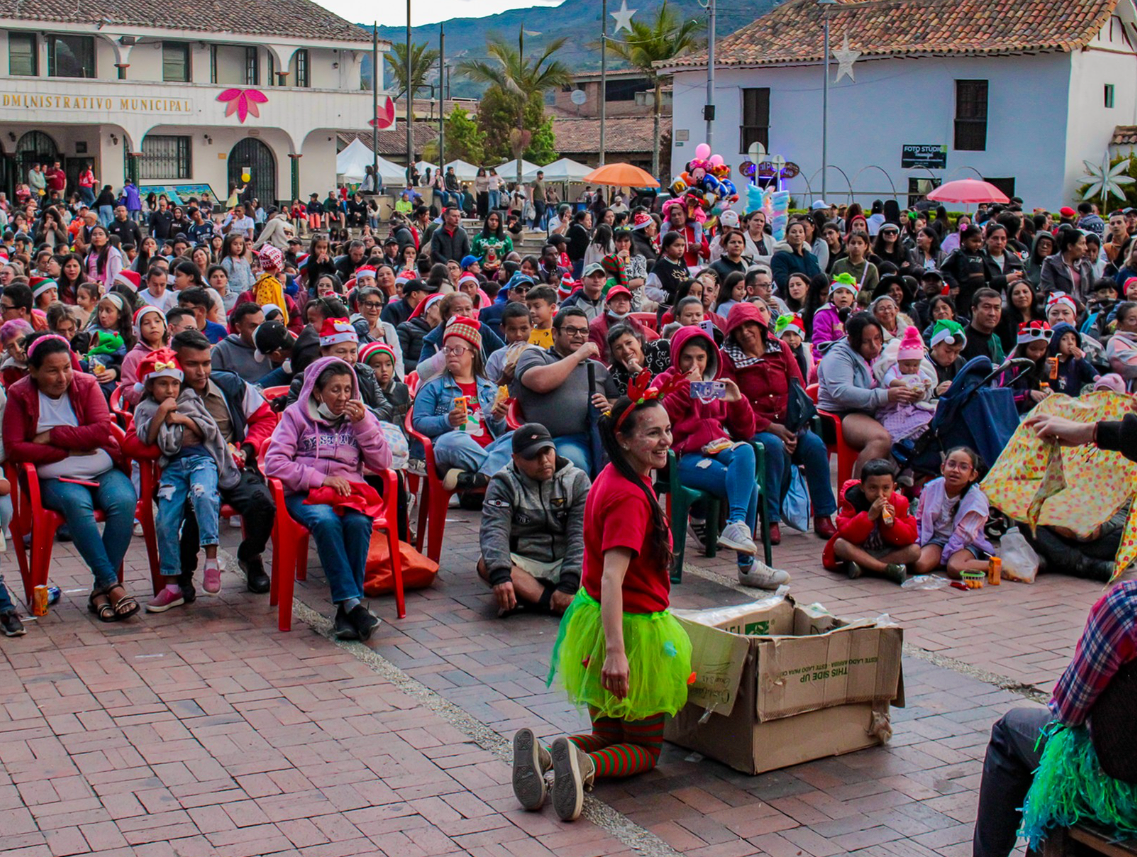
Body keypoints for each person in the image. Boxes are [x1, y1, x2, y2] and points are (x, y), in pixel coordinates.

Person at [514, 386, 692, 822]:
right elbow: (614, 577)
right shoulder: (631, 496)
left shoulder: (615, 476)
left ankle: (548, 755)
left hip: (594, 622)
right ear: (625, 439)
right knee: (646, 749)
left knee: (610, 730)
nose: (665, 440)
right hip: (629, 631)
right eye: (652, 433)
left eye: (667, 430)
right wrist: (618, 653)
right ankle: (585, 765)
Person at [3, 332, 139, 620]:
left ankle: (101, 590)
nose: (62, 377)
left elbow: (101, 431)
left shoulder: (86, 384)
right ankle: (111, 584)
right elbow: (15, 447)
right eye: (52, 370)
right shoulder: (19, 393)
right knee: (78, 506)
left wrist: (53, 436)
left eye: (66, 367)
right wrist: (64, 453)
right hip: (54, 478)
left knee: (124, 501)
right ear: (34, 371)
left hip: (101, 466)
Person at [265, 356, 392, 640]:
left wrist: (363, 426)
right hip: (305, 493)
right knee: (325, 521)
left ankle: (346, 612)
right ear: (318, 391)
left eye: (348, 389)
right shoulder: (296, 416)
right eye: (335, 390)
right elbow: (274, 464)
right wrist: (320, 479)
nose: (343, 397)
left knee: (359, 523)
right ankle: (353, 605)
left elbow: (383, 461)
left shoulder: (361, 416)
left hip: (349, 494)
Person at [656, 325, 787, 588]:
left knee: (747, 450)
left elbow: (746, 431)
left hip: (719, 448)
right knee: (747, 486)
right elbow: (658, 418)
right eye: (688, 358)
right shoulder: (664, 381)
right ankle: (747, 566)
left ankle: (736, 524)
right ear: (677, 357)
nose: (695, 364)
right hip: (685, 458)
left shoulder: (714, 384)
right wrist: (684, 388)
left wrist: (738, 401)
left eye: (701, 358)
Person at [169, 330, 276, 595]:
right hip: (187, 472)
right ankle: (184, 574)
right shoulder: (164, 392)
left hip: (233, 465)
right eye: (192, 364)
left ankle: (250, 557)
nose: (202, 371)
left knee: (263, 503)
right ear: (176, 363)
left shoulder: (231, 385)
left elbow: (265, 418)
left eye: (206, 363)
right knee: (195, 507)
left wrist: (247, 449)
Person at [721, 301, 837, 543]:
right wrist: (772, 428)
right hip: (755, 426)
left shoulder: (780, 348)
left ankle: (824, 515)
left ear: (761, 326)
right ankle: (770, 519)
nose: (745, 332)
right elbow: (732, 402)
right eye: (738, 328)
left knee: (815, 446)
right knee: (773, 448)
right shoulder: (727, 358)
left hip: (791, 424)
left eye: (749, 325)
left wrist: (793, 428)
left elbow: (798, 389)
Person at [134, 349, 240, 611]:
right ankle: (171, 585)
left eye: (174, 383)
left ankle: (212, 561)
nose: (170, 389)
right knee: (165, 518)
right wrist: (162, 413)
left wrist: (181, 418)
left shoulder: (190, 399)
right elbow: (146, 437)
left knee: (204, 495)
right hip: (172, 468)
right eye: (162, 383)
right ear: (150, 385)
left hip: (202, 460)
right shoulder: (144, 408)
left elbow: (209, 429)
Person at [478, 423, 589, 616]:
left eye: (547, 452)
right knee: (487, 565)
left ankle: (534, 599)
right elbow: (494, 531)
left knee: (602, 559)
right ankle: (549, 602)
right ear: (516, 459)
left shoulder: (577, 480)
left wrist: (570, 582)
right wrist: (501, 577)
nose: (544, 460)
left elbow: (580, 536)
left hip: (566, 561)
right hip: (525, 564)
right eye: (533, 456)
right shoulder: (502, 483)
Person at [412, 316, 513, 491]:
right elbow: (418, 423)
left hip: (486, 447)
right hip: (453, 449)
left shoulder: (488, 387)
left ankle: (478, 477)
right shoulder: (433, 386)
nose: (451, 354)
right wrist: (447, 421)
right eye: (447, 350)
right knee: (452, 440)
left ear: (473, 352)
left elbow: (497, 432)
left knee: (522, 436)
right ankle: (493, 473)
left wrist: (498, 419)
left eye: (457, 350)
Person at [513, 308, 609, 474]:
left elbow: (616, 404)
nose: (579, 335)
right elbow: (540, 382)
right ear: (554, 333)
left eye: (584, 331)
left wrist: (610, 408)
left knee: (575, 464)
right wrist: (578, 356)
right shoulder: (535, 356)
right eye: (571, 330)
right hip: (540, 440)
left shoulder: (598, 368)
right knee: (571, 462)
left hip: (587, 439)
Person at [818, 313, 916, 475]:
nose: (875, 346)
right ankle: (856, 493)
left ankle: (903, 489)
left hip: (872, 410)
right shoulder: (838, 356)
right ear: (852, 341)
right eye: (866, 341)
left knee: (913, 430)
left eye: (878, 338)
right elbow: (842, 392)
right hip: (840, 413)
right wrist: (885, 396)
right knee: (880, 439)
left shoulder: (882, 352)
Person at [821, 458, 919, 583]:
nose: (880, 494)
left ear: (893, 487)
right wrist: (868, 517)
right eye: (873, 488)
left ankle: (865, 567)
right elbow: (846, 533)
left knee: (915, 551)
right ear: (862, 487)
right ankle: (884, 568)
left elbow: (910, 536)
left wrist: (893, 524)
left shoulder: (900, 502)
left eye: (886, 488)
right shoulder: (852, 500)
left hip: (887, 552)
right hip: (860, 550)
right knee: (840, 545)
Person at [912, 446, 993, 580]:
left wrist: (944, 557)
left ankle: (996, 565)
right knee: (919, 564)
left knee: (955, 568)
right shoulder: (931, 488)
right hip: (938, 540)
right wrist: (917, 543)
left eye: (963, 467)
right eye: (952, 464)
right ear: (943, 468)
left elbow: (964, 535)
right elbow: (919, 521)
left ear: (972, 475)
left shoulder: (977, 500)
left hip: (967, 544)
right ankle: (943, 560)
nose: (956, 470)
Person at [877, 326, 934, 443]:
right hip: (894, 407)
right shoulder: (895, 370)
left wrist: (925, 384)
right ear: (899, 361)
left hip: (911, 406)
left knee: (924, 417)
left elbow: (927, 380)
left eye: (915, 365)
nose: (911, 369)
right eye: (907, 365)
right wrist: (902, 384)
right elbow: (888, 379)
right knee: (893, 425)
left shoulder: (919, 372)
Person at [211, 303, 268, 382]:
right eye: (253, 326)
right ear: (238, 327)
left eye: (263, 324)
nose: (260, 330)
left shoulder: (273, 343)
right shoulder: (222, 350)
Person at [810, 273, 859, 354]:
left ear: (854, 298)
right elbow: (820, 343)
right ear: (831, 297)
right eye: (839, 292)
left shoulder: (859, 315)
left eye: (848, 292)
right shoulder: (823, 315)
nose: (843, 296)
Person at [1041, 228, 1094, 302]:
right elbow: (1049, 289)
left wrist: (1083, 302)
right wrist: (1073, 302)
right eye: (1082, 243)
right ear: (1070, 246)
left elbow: (1093, 291)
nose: (1086, 248)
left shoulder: (1086, 264)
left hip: (1083, 309)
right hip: (1059, 307)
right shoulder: (1050, 263)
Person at [1049, 322, 1098, 396]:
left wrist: (1081, 361)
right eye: (1064, 339)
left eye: (1073, 339)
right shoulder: (1050, 362)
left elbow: (1094, 377)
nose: (1070, 342)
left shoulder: (1077, 363)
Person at [770, 221, 821, 291]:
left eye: (800, 232)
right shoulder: (780, 257)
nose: (797, 235)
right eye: (793, 232)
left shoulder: (812, 258)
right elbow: (781, 281)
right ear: (787, 236)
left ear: (805, 236)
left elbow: (818, 278)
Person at [960, 289, 1005, 364]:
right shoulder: (961, 339)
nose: (992, 313)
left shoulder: (995, 339)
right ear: (974, 310)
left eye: (997, 308)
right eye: (986, 307)